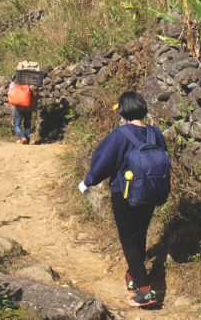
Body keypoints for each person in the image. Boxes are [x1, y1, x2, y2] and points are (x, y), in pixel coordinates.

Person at [78, 91, 167, 308]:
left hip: (125, 194)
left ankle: (145, 291)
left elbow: (103, 162)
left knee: (128, 241)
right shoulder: (156, 133)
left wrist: (88, 181)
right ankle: (132, 275)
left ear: (123, 110)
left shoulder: (120, 135)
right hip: (151, 193)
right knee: (139, 235)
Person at [7, 79, 36, 144]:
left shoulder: (14, 85)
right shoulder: (31, 85)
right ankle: (29, 138)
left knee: (16, 124)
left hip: (19, 108)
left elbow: (10, 94)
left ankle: (22, 137)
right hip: (28, 108)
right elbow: (35, 95)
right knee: (27, 125)